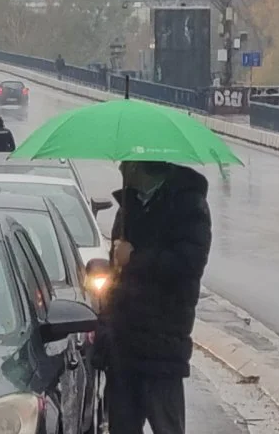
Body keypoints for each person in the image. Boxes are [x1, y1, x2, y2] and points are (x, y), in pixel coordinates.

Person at [99, 161, 211, 434]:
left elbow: (189, 263)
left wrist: (134, 258)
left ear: (140, 167)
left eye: (126, 162)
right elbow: (117, 274)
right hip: (124, 344)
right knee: (122, 426)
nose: (120, 168)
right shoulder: (129, 206)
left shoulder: (188, 205)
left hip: (163, 343)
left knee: (166, 426)